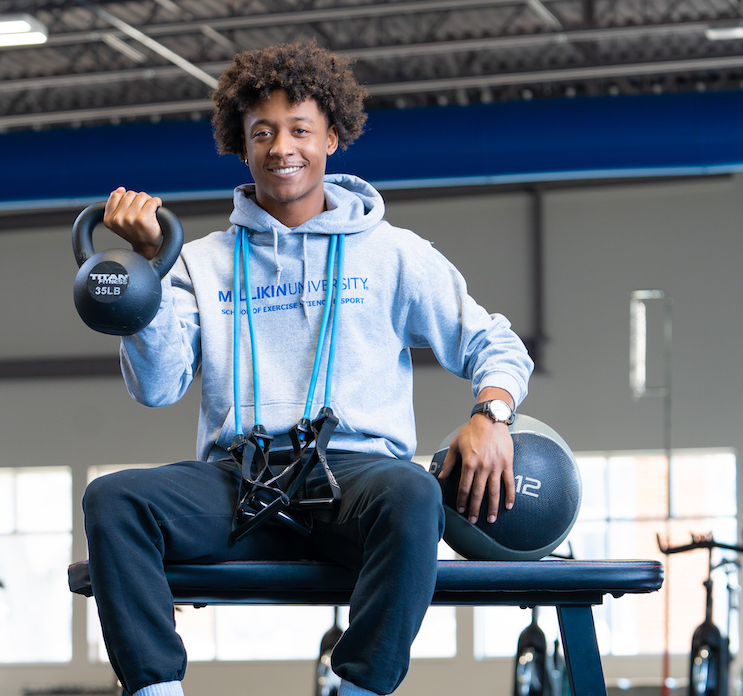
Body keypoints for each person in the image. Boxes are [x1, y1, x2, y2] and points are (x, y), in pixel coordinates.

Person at [81, 41, 534, 696]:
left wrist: (492, 415)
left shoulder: (392, 254)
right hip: (240, 478)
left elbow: (494, 341)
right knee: (115, 500)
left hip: (353, 476)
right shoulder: (199, 262)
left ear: (332, 138)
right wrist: (146, 279)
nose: (280, 147)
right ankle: (154, 689)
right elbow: (156, 389)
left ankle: (359, 688)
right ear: (241, 144)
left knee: (414, 493)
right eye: (261, 131)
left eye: (299, 129)